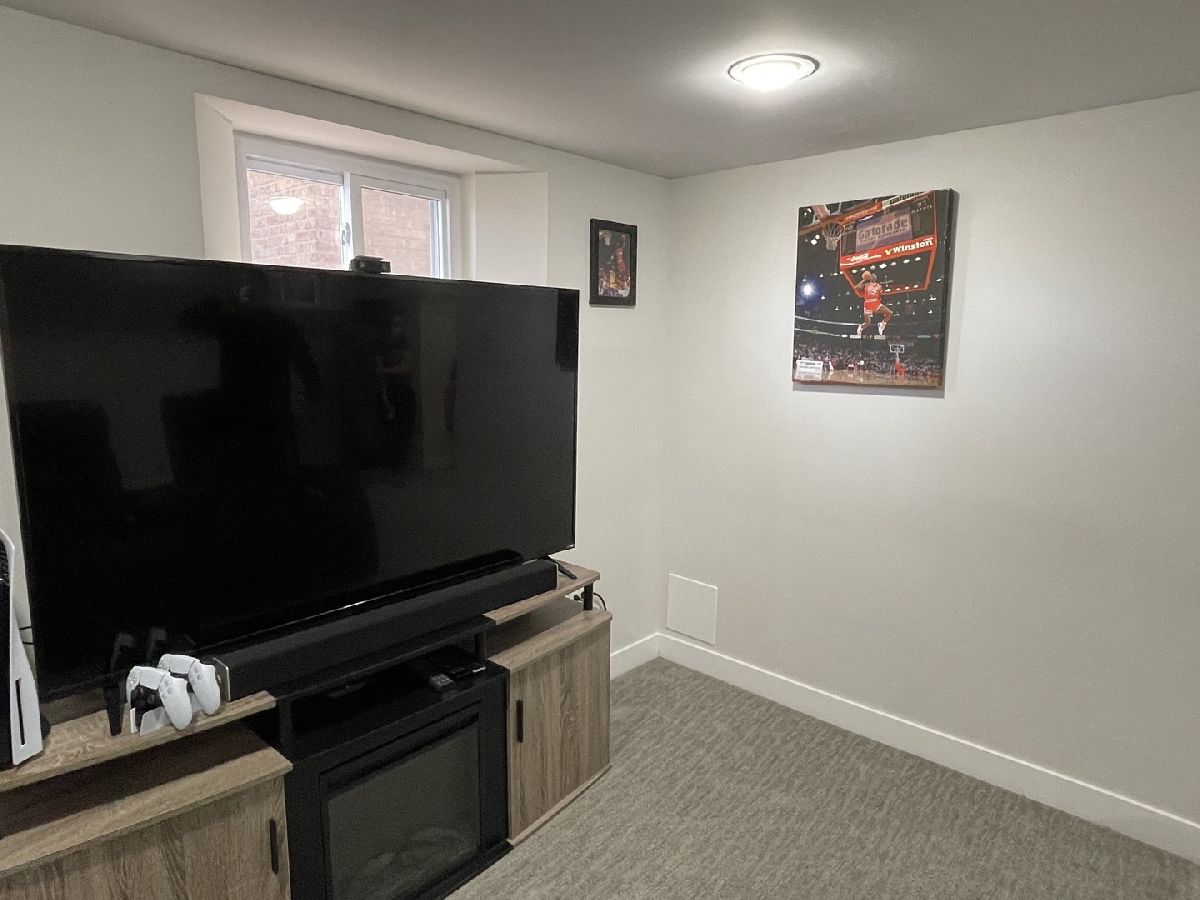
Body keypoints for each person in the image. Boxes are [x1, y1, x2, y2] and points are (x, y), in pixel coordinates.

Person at [852, 270, 893, 338]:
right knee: (868, 322)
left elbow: (880, 295)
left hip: (876, 303)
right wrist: (864, 279)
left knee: (890, 313)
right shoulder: (866, 285)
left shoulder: (879, 286)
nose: (873, 276)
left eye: (875, 276)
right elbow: (856, 287)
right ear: (870, 278)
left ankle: (882, 324)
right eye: (872, 276)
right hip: (868, 304)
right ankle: (861, 328)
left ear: (876, 278)